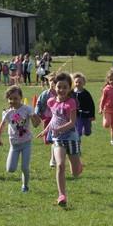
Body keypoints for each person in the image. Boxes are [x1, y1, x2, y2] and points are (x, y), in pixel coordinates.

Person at [40, 72, 83, 207]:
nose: (62, 90)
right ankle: (61, 195)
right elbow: (54, 118)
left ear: (69, 88)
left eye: (65, 87)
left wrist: (59, 129)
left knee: (75, 173)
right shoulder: (51, 101)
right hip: (58, 138)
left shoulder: (71, 102)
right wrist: (47, 129)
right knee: (59, 165)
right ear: (54, 87)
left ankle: (78, 165)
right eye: (59, 87)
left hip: (71, 137)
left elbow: (72, 122)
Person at [0, 85, 40, 192]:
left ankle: (25, 186)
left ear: (21, 97)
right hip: (14, 145)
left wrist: (35, 118)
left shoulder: (27, 109)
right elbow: (2, 125)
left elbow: (35, 123)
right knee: (10, 169)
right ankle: (21, 180)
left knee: (24, 167)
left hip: (26, 143)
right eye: (10, 98)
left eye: (15, 98)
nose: (13, 101)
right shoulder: (7, 112)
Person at [72, 72, 95, 138]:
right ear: (74, 83)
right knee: (78, 131)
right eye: (76, 82)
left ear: (84, 83)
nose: (78, 84)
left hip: (86, 115)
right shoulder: (72, 93)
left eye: (80, 82)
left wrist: (92, 115)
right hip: (77, 115)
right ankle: (78, 139)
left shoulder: (86, 94)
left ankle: (86, 130)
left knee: (88, 132)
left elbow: (91, 105)